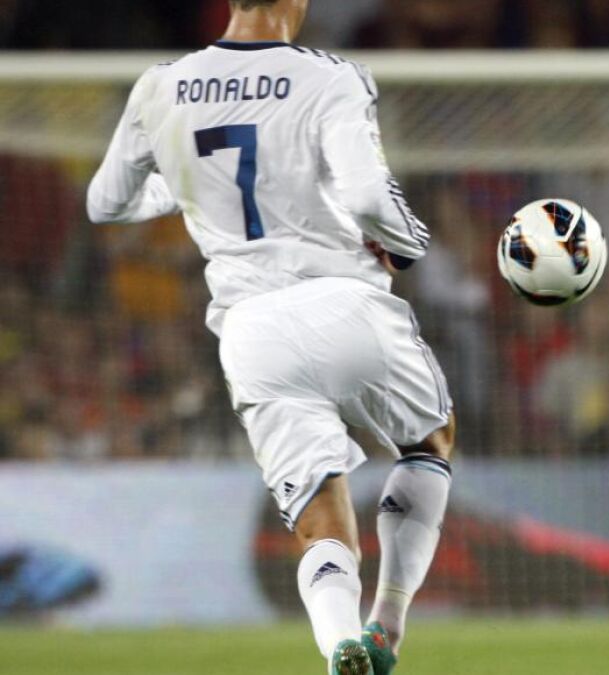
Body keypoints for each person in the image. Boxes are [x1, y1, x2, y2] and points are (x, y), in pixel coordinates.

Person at [87, 1, 455, 673]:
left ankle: (339, 643)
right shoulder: (331, 76)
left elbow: (105, 203)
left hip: (252, 330)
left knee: (318, 516)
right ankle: (388, 622)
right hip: (345, 301)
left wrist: (184, 191)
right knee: (428, 443)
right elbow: (367, 195)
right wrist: (408, 245)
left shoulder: (159, 85)